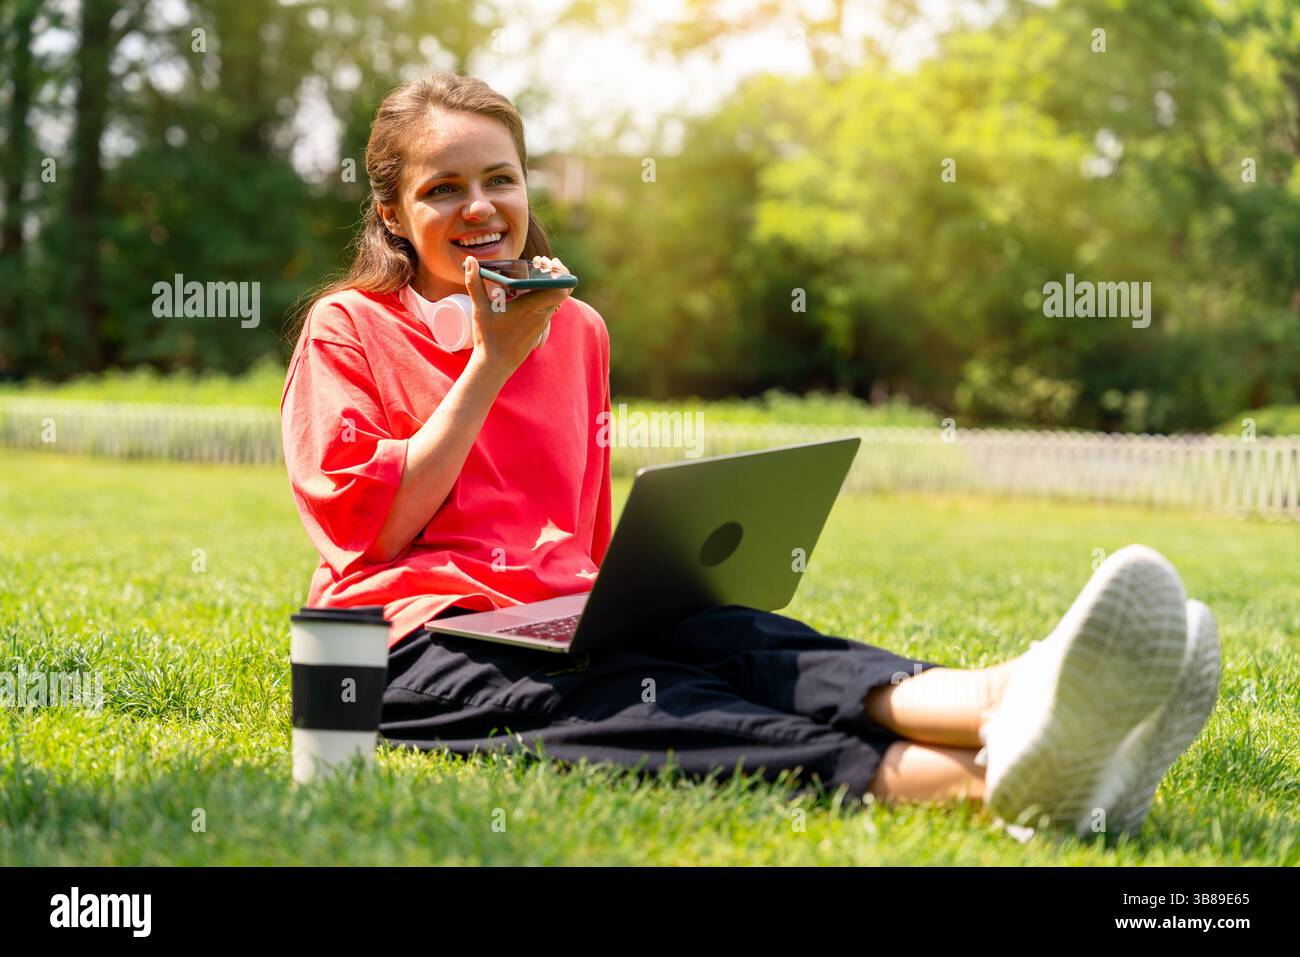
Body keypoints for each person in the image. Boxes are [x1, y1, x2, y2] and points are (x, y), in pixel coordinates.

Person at [280, 72, 1221, 839]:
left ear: (528, 188)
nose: (479, 206)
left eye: (501, 178)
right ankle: (980, 784)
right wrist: (490, 364)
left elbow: (577, 529)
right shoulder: (348, 328)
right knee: (641, 703)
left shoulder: (578, 331)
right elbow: (371, 528)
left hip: (555, 609)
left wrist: (632, 601)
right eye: (443, 188)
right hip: (403, 644)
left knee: (737, 637)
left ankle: (1012, 702)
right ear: (395, 215)